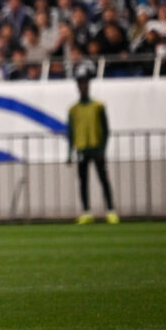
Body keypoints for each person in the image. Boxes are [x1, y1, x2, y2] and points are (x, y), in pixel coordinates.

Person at [67, 72, 118, 224]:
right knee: (83, 181)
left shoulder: (98, 106)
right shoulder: (73, 109)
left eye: (85, 84)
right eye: (80, 84)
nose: (83, 87)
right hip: (82, 148)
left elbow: (106, 128)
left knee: (103, 179)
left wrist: (103, 148)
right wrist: (70, 152)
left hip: (96, 148)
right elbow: (71, 131)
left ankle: (110, 210)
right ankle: (86, 211)